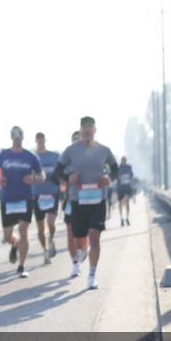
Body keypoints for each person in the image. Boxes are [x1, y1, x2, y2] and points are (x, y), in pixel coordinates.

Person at [53, 116, 118, 290]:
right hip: (78, 201)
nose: (88, 132)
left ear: (95, 130)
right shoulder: (71, 150)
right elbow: (57, 170)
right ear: (81, 130)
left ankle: (92, 276)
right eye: (85, 129)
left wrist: (108, 177)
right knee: (79, 240)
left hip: (98, 200)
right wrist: (68, 178)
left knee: (95, 238)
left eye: (90, 128)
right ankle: (80, 254)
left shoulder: (104, 150)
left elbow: (115, 168)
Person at [0, 126, 43, 278]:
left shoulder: (31, 156)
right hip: (7, 199)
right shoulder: (3, 155)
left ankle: (21, 266)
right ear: (11, 137)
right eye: (14, 136)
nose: (17, 139)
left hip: (24, 199)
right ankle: (14, 245)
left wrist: (33, 179)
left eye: (19, 136)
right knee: (8, 235)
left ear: (22, 138)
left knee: (23, 230)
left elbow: (41, 176)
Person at [57, 130, 86, 277]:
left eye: (78, 139)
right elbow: (58, 178)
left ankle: (82, 250)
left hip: (87, 201)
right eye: (73, 140)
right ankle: (75, 263)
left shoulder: (89, 159)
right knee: (70, 233)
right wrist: (64, 186)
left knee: (82, 235)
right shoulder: (65, 161)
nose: (76, 142)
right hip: (70, 202)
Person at [31, 132, 60, 265]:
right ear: (36, 141)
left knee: (51, 223)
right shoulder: (32, 158)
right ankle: (45, 251)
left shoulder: (54, 156)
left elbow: (61, 171)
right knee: (41, 229)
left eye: (42, 140)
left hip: (52, 193)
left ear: (45, 141)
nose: (40, 142)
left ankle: (51, 238)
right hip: (37, 195)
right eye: (38, 140)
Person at [116, 156, 135, 226]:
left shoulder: (129, 167)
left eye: (125, 160)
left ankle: (127, 218)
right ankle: (121, 218)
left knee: (127, 202)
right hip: (120, 188)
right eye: (122, 160)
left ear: (126, 161)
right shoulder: (118, 168)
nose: (123, 161)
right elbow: (116, 177)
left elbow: (132, 176)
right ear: (121, 161)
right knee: (120, 203)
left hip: (127, 187)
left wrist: (132, 184)